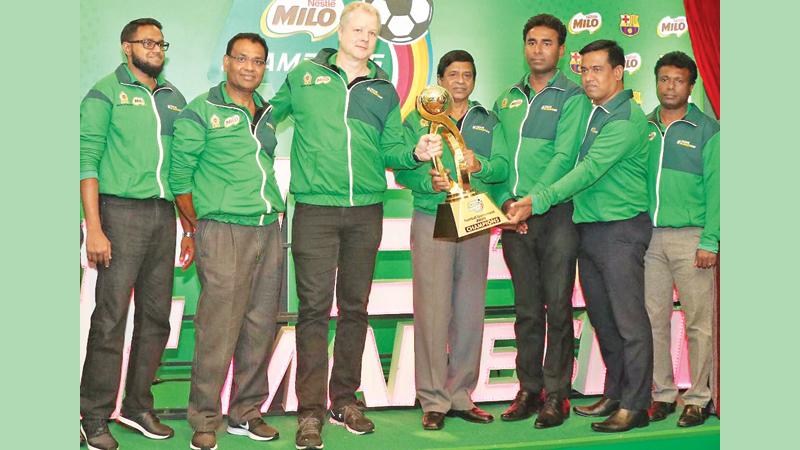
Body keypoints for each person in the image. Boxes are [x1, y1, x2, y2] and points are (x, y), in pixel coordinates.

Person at [269, 3, 442, 449]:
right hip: (314, 210)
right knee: (312, 311)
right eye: (357, 29)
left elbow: (394, 151)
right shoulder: (305, 77)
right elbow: (263, 121)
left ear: (378, 38)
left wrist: (417, 152)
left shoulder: (384, 89)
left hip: (367, 210)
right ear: (340, 31)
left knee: (355, 308)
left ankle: (344, 400)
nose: (364, 38)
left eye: (372, 32)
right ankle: (309, 412)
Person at [508, 39, 652, 433]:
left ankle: (637, 404)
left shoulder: (624, 121)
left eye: (598, 69)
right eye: (584, 70)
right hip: (589, 229)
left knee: (628, 321)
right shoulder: (594, 114)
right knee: (604, 319)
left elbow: (586, 171)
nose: (588, 77)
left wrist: (536, 200)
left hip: (620, 230)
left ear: (619, 71)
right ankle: (616, 392)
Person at [169, 33, 285, 450]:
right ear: (226, 61)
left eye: (257, 61)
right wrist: (200, 226)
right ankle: (204, 417)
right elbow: (179, 177)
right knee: (218, 329)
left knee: (260, 325)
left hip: (268, 228)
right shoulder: (200, 110)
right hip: (222, 230)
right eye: (242, 59)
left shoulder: (267, 113)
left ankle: (247, 412)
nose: (249, 67)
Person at [80, 17, 191, 450]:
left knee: (156, 317)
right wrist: (95, 228)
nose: (156, 48)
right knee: (110, 320)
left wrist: (188, 226)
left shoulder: (174, 98)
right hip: (119, 213)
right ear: (126, 47)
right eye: (147, 42)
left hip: (164, 217)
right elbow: (86, 161)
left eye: (161, 42)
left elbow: (181, 171)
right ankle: (93, 415)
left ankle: (137, 406)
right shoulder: (105, 92)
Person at [395, 50, 508, 431]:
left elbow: (503, 167)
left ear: (474, 80)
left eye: (467, 75)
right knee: (432, 309)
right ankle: (432, 397)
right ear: (440, 81)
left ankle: (460, 393)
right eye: (453, 74)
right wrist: (428, 180)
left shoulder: (487, 119)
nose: (460, 81)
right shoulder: (419, 119)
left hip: (474, 217)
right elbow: (402, 168)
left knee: (470, 309)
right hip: (432, 214)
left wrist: (481, 167)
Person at [492, 14, 591, 429]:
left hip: (556, 215)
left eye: (547, 43)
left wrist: (532, 202)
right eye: (531, 41)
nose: (538, 49)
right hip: (515, 218)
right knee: (527, 310)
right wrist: (506, 206)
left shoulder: (573, 96)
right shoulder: (506, 99)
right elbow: (498, 163)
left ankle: (557, 395)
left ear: (562, 50)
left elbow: (564, 159)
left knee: (557, 310)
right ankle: (529, 390)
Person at [643, 51, 719, 428]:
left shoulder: (707, 128)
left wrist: (712, 239)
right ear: (655, 82)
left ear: (691, 86)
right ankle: (662, 394)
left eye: (678, 80)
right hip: (649, 239)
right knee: (653, 319)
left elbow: (719, 189)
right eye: (663, 79)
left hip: (692, 238)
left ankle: (699, 398)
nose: (669, 86)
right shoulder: (644, 127)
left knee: (698, 323)